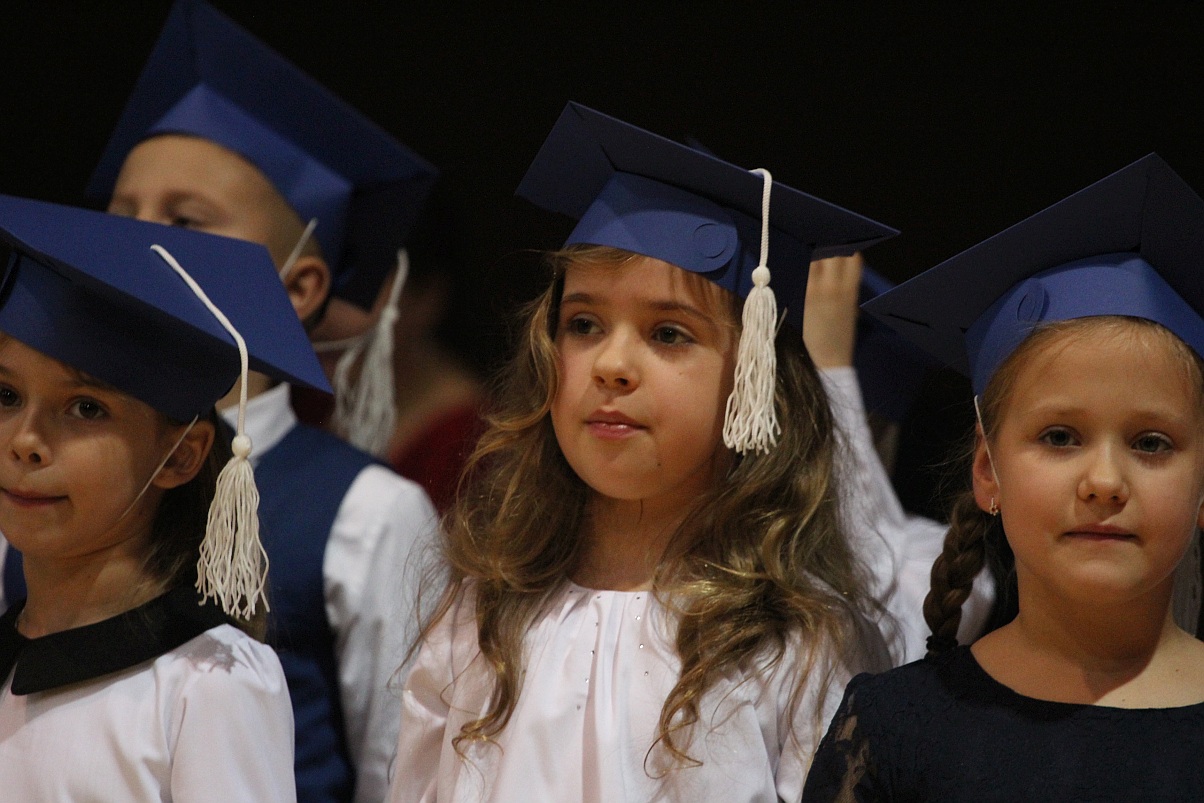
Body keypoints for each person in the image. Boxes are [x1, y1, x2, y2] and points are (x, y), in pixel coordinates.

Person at [389, 102, 896, 802]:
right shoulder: (483, 614)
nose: (611, 364)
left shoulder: (799, 644)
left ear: (754, 380)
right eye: (584, 324)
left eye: (668, 333)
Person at [2, 2, 441, 800]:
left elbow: (403, 773)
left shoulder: (364, 513)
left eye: (184, 220)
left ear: (300, 285)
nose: (141, 240)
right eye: (123, 212)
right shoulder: (29, 493)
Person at [803, 154, 1204, 801]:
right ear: (988, 472)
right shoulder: (893, 729)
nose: (1105, 480)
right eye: (1060, 437)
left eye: (1151, 443)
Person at [0, 195, 330, 800]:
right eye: (6, 396)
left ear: (180, 456)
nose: (25, 441)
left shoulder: (205, 683)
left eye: (86, 408)